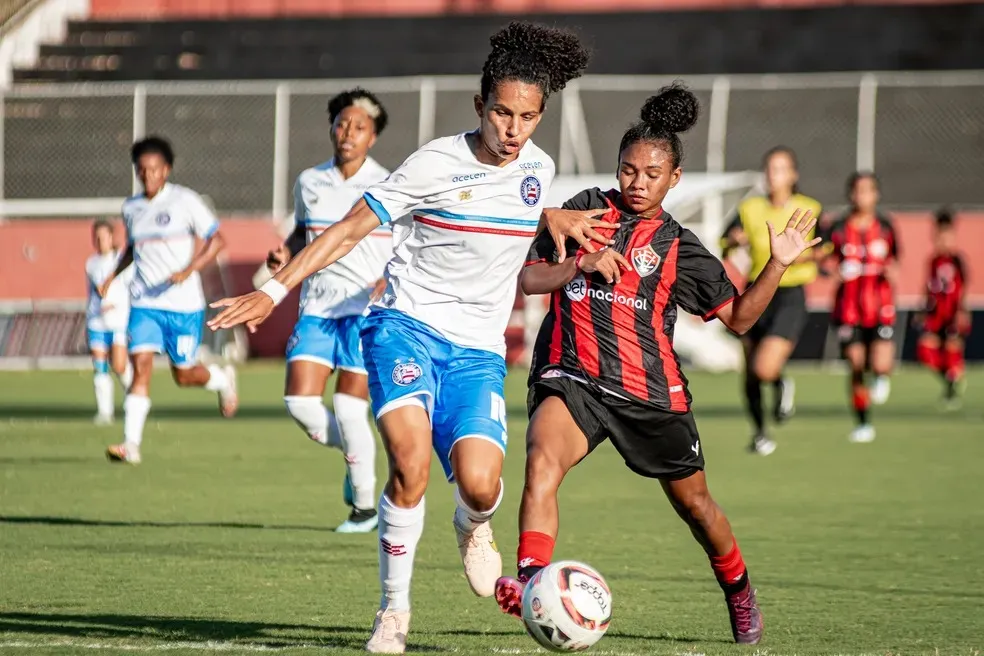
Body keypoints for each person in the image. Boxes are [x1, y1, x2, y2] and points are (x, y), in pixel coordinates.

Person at [206, 22, 613, 654]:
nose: (513, 129)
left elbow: (521, 264)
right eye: (502, 112)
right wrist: (273, 290)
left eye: (528, 117)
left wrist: (569, 257)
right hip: (405, 328)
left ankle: (473, 525)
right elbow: (346, 229)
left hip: (478, 352)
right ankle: (393, 611)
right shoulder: (433, 163)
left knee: (480, 485)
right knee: (413, 464)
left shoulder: (538, 169)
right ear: (480, 106)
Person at [491, 84, 820, 646]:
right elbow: (527, 278)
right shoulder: (582, 213)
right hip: (573, 377)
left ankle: (739, 591)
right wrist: (580, 262)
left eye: (650, 173)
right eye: (627, 170)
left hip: (650, 395)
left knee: (696, 507)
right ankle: (531, 586)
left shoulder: (682, 247)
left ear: (674, 179)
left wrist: (777, 266)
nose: (637, 183)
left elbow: (739, 319)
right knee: (541, 461)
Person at [266, 88, 392, 533]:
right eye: (341, 124)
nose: (347, 133)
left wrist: (388, 279)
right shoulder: (309, 180)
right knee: (299, 403)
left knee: (348, 406)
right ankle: (355, 453)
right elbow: (303, 232)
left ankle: (364, 507)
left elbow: (410, 244)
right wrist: (285, 254)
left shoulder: (388, 184)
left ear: (373, 137)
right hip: (317, 306)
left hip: (365, 309)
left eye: (359, 127)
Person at [99, 136, 239, 464]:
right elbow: (133, 249)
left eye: (154, 169)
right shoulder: (131, 208)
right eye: (142, 170)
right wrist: (112, 276)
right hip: (145, 303)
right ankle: (130, 445)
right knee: (141, 365)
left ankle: (221, 379)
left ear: (167, 170)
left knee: (184, 374)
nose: (148, 176)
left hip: (184, 304)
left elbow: (217, 241)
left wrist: (189, 269)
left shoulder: (185, 201)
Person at [721, 146, 822, 455]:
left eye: (780, 169)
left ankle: (779, 383)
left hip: (789, 293)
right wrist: (734, 242)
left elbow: (828, 248)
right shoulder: (750, 208)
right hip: (756, 289)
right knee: (750, 371)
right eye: (769, 169)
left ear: (793, 175)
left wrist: (801, 256)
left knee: (765, 368)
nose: (772, 175)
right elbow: (725, 240)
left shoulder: (810, 208)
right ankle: (760, 433)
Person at [821, 172, 899, 443]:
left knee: (880, 362)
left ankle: (881, 376)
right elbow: (821, 260)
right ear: (850, 194)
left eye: (867, 190)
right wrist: (834, 271)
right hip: (848, 309)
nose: (862, 196)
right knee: (856, 365)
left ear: (876, 195)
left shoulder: (886, 226)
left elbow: (896, 263)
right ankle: (863, 423)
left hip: (880, 307)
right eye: (857, 191)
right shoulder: (839, 227)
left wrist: (890, 272)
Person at [914, 208, 969, 408]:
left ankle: (952, 389)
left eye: (946, 237)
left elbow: (963, 289)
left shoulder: (957, 261)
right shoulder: (933, 260)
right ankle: (950, 380)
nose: (942, 241)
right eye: (939, 236)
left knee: (952, 351)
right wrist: (922, 310)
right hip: (935, 314)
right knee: (925, 350)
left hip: (952, 313)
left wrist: (962, 312)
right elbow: (928, 287)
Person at [85, 219, 134, 425]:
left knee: (120, 366)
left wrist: (117, 305)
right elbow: (92, 293)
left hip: (118, 321)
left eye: (103, 236)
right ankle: (104, 413)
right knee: (99, 366)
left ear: (112, 237)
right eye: (96, 237)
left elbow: (130, 289)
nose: (100, 240)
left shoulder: (121, 261)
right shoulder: (91, 263)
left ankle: (134, 399)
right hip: (96, 321)